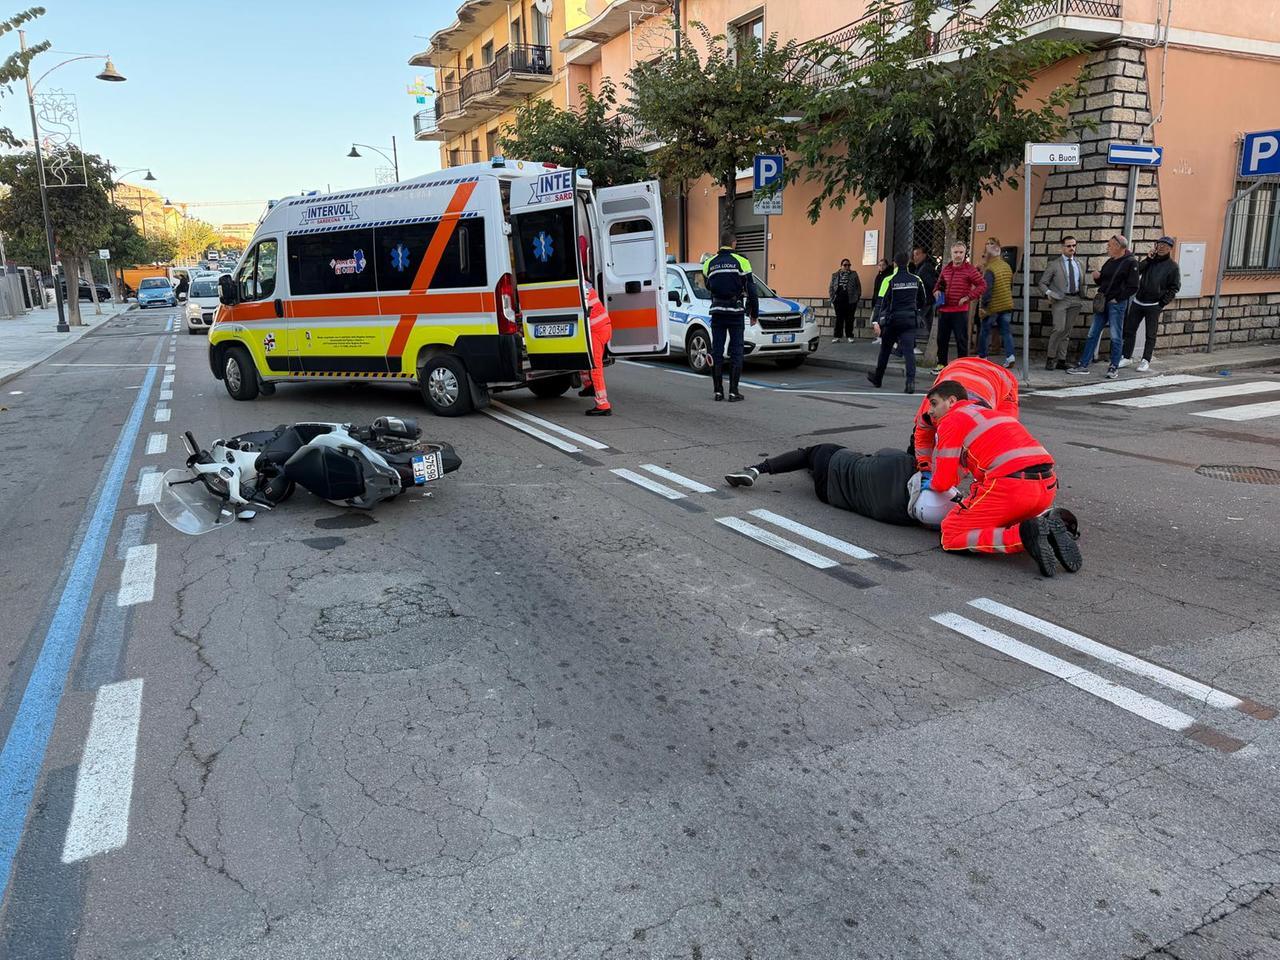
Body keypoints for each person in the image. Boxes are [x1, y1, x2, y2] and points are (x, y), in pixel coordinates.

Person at [925, 380, 1081, 577]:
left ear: (952, 401)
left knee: (950, 534)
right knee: (1002, 518)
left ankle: (1022, 536)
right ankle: (1049, 527)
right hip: (1046, 488)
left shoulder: (951, 420)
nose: (930, 411)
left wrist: (927, 483)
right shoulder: (992, 413)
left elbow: (943, 482)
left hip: (1010, 489)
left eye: (934, 403)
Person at [724, 445, 957, 529]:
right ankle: (810, 469)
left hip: (835, 459)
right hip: (829, 495)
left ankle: (757, 468)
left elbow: (880, 454)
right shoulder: (901, 517)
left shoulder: (901, 462)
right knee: (814, 470)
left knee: (808, 454)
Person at [911, 357, 1020, 472]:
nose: (930, 411)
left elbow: (965, 460)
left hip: (1001, 378)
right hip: (957, 367)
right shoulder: (930, 411)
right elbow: (922, 434)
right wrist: (924, 464)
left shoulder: (982, 424)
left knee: (1004, 439)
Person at [1067, 234, 1140, 380]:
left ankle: (1113, 367)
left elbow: (1133, 287)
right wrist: (1097, 278)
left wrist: (1117, 299)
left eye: (1110, 245)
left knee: (1115, 336)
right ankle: (1083, 365)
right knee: (1092, 333)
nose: (1108, 247)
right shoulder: (1110, 261)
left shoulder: (1131, 263)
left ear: (1118, 247)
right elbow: (1104, 283)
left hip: (1116, 304)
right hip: (1104, 302)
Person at [701, 231, 759, 402]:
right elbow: (752, 290)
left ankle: (718, 391)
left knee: (716, 351)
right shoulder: (742, 261)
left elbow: (709, 286)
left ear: (721, 244)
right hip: (735, 312)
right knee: (736, 351)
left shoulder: (709, 263)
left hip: (717, 311)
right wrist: (753, 312)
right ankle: (733, 392)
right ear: (734, 243)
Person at [1119, 236, 1181, 372]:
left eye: (1166, 245)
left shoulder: (1172, 267)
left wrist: (1162, 303)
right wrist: (1147, 259)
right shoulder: (1150, 261)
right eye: (1160, 244)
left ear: (1170, 248)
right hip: (1138, 300)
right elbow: (1136, 272)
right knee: (1129, 330)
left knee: (1150, 334)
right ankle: (1126, 356)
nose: (1162, 247)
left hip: (1154, 304)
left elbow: (1174, 288)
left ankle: (1145, 359)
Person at [868, 251, 926, 393]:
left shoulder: (888, 280)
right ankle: (910, 382)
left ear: (894, 263)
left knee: (885, 350)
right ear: (908, 263)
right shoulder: (917, 279)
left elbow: (880, 302)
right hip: (909, 320)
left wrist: (876, 321)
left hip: (892, 321)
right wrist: (914, 310)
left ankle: (878, 378)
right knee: (909, 352)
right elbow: (923, 300)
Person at [1037, 235, 1089, 371]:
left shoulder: (1080, 263)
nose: (1072, 248)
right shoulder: (1054, 264)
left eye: (1074, 245)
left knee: (1066, 331)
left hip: (1076, 299)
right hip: (1061, 299)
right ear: (1062, 247)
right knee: (1058, 328)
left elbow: (1082, 281)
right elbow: (1042, 282)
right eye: (1069, 246)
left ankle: (1061, 360)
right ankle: (1050, 358)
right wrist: (1049, 293)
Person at [933, 241, 986, 372]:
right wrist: (936, 292)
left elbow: (982, 285)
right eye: (956, 252)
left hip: (960, 311)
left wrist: (968, 297)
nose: (958, 255)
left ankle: (963, 367)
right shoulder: (946, 268)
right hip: (944, 309)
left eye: (961, 252)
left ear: (965, 253)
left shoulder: (970, 269)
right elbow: (937, 285)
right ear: (951, 253)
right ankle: (941, 364)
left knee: (961, 340)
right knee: (941, 339)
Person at [976, 238, 1016, 368]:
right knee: (1006, 331)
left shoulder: (990, 269)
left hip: (992, 306)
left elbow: (987, 290)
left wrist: (983, 308)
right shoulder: (1007, 266)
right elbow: (1010, 284)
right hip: (1006, 303)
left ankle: (982, 357)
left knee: (984, 332)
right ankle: (1010, 356)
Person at [579, 279, 613, 416]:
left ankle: (603, 404)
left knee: (595, 367)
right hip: (601, 327)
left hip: (596, 331)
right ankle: (589, 386)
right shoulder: (584, 283)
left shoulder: (579, 286)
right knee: (583, 357)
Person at [910, 245, 939, 364]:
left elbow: (931, 284)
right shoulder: (920, 267)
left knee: (915, 322)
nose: (914, 257)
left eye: (917, 254)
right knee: (928, 324)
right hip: (925, 301)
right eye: (914, 254)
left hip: (925, 302)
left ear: (924, 255)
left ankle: (912, 345)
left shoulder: (925, 268)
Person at [828, 258, 862, 343]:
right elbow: (831, 287)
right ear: (841, 266)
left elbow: (858, 286)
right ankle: (837, 336)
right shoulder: (835, 275)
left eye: (849, 265)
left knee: (849, 319)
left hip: (850, 300)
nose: (847, 267)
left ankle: (849, 336)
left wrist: (857, 297)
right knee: (839, 318)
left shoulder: (854, 274)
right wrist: (832, 298)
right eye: (845, 265)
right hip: (838, 300)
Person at [870, 257, 893, 341]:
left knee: (882, 320)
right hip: (877, 301)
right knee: (877, 320)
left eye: (883, 265)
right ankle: (879, 337)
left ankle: (883, 338)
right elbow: (875, 290)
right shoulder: (878, 276)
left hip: (884, 302)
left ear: (887, 265)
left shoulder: (888, 276)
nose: (881, 267)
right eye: (880, 265)